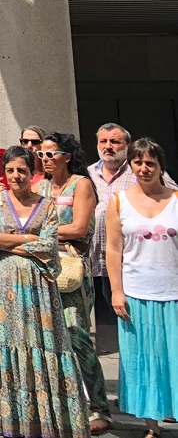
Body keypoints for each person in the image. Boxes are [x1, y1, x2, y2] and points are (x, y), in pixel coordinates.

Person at [0, 146, 89, 438]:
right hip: (4, 287)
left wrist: (13, 242)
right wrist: (28, 238)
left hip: (38, 287)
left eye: (22, 170)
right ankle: (14, 420)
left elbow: (48, 245)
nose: (16, 176)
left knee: (42, 344)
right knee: (10, 341)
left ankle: (47, 417)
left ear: (33, 174)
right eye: (11, 170)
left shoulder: (47, 205)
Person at [37, 132, 110, 433]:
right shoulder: (39, 186)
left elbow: (80, 226)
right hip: (42, 269)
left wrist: (42, 231)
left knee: (76, 335)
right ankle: (63, 403)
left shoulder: (81, 185)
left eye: (51, 154)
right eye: (41, 154)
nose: (45, 159)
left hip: (71, 273)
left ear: (67, 156)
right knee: (47, 339)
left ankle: (99, 407)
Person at [105, 137, 178, 438]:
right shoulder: (118, 201)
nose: (144, 168)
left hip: (173, 293)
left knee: (174, 357)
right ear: (131, 165)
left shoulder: (176, 198)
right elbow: (113, 249)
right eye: (138, 162)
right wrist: (116, 291)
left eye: (150, 162)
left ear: (161, 166)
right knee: (145, 361)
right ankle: (152, 426)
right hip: (136, 294)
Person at [89, 123, 175, 336]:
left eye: (115, 141)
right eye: (103, 141)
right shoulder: (88, 173)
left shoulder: (149, 179)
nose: (108, 146)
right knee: (115, 328)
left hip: (145, 268)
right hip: (95, 261)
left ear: (126, 145)